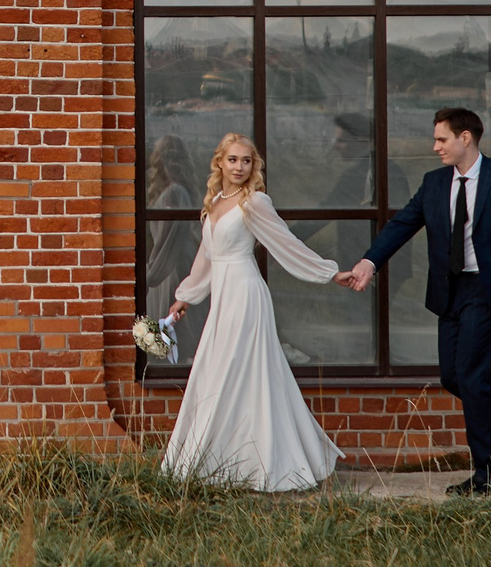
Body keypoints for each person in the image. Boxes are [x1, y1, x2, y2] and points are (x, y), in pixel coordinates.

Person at [337, 107, 491, 496]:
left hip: (489, 290)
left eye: (441, 139)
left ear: (465, 138)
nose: (435, 146)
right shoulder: (434, 183)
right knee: (453, 378)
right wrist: (369, 262)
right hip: (449, 292)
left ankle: (490, 475)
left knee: (473, 377)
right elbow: (402, 224)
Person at [144, 132, 344, 491]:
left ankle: (259, 463)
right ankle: (222, 462)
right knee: (216, 369)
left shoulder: (255, 202)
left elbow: (285, 243)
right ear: (219, 162)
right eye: (233, 159)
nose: (239, 167)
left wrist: (329, 272)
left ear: (254, 166)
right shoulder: (215, 201)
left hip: (246, 293)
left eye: (246, 161)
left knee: (236, 371)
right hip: (222, 296)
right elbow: (207, 257)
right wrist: (186, 296)